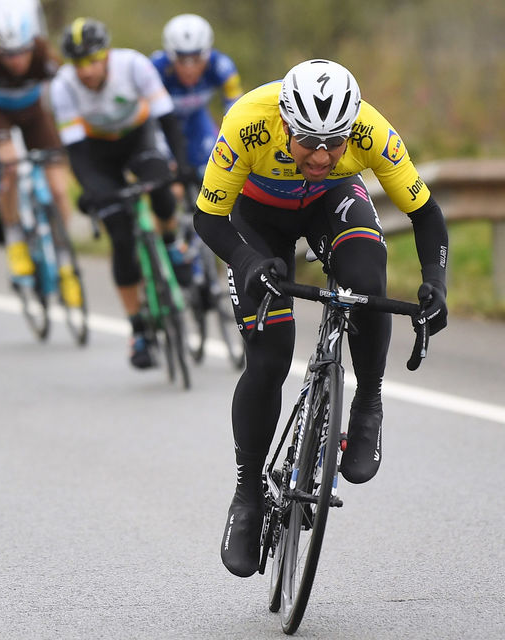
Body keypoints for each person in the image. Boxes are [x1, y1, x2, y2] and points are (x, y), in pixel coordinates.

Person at [191, 59, 449, 577]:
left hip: (332, 202)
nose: (323, 154)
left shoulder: (370, 130)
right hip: (256, 217)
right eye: (309, 141)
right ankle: (247, 494)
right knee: (269, 357)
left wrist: (436, 285)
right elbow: (208, 216)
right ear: (285, 123)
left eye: (335, 142)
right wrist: (246, 261)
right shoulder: (248, 121)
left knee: (366, 284)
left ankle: (368, 402)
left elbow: (425, 213)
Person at [50, 18, 192, 369]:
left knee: (161, 191)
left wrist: (181, 166)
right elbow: (76, 152)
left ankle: (172, 243)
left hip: (138, 139)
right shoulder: (63, 87)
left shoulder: (133, 66)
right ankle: (138, 330)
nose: (86, 70)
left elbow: (167, 119)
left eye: (93, 60)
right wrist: (92, 192)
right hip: (97, 154)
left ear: (107, 54)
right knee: (120, 237)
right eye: (78, 63)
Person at [0, 10, 80, 306]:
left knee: (59, 189)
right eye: (8, 55)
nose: (16, 60)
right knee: (9, 168)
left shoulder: (45, 55)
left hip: (35, 115)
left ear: (31, 45)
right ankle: (15, 241)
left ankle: (64, 257)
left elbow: (68, 96)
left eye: (22, 52)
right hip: (1, 116)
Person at [152, 14, 242, 177]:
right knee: (165, 171)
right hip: (162, 124)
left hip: (197, 119)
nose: (189, 69)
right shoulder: (155, 68)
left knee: (215, 166)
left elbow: (236, 109)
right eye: (181, 59)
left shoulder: (221, 66)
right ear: (170, 56)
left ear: (207, 54)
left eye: (196, 59)